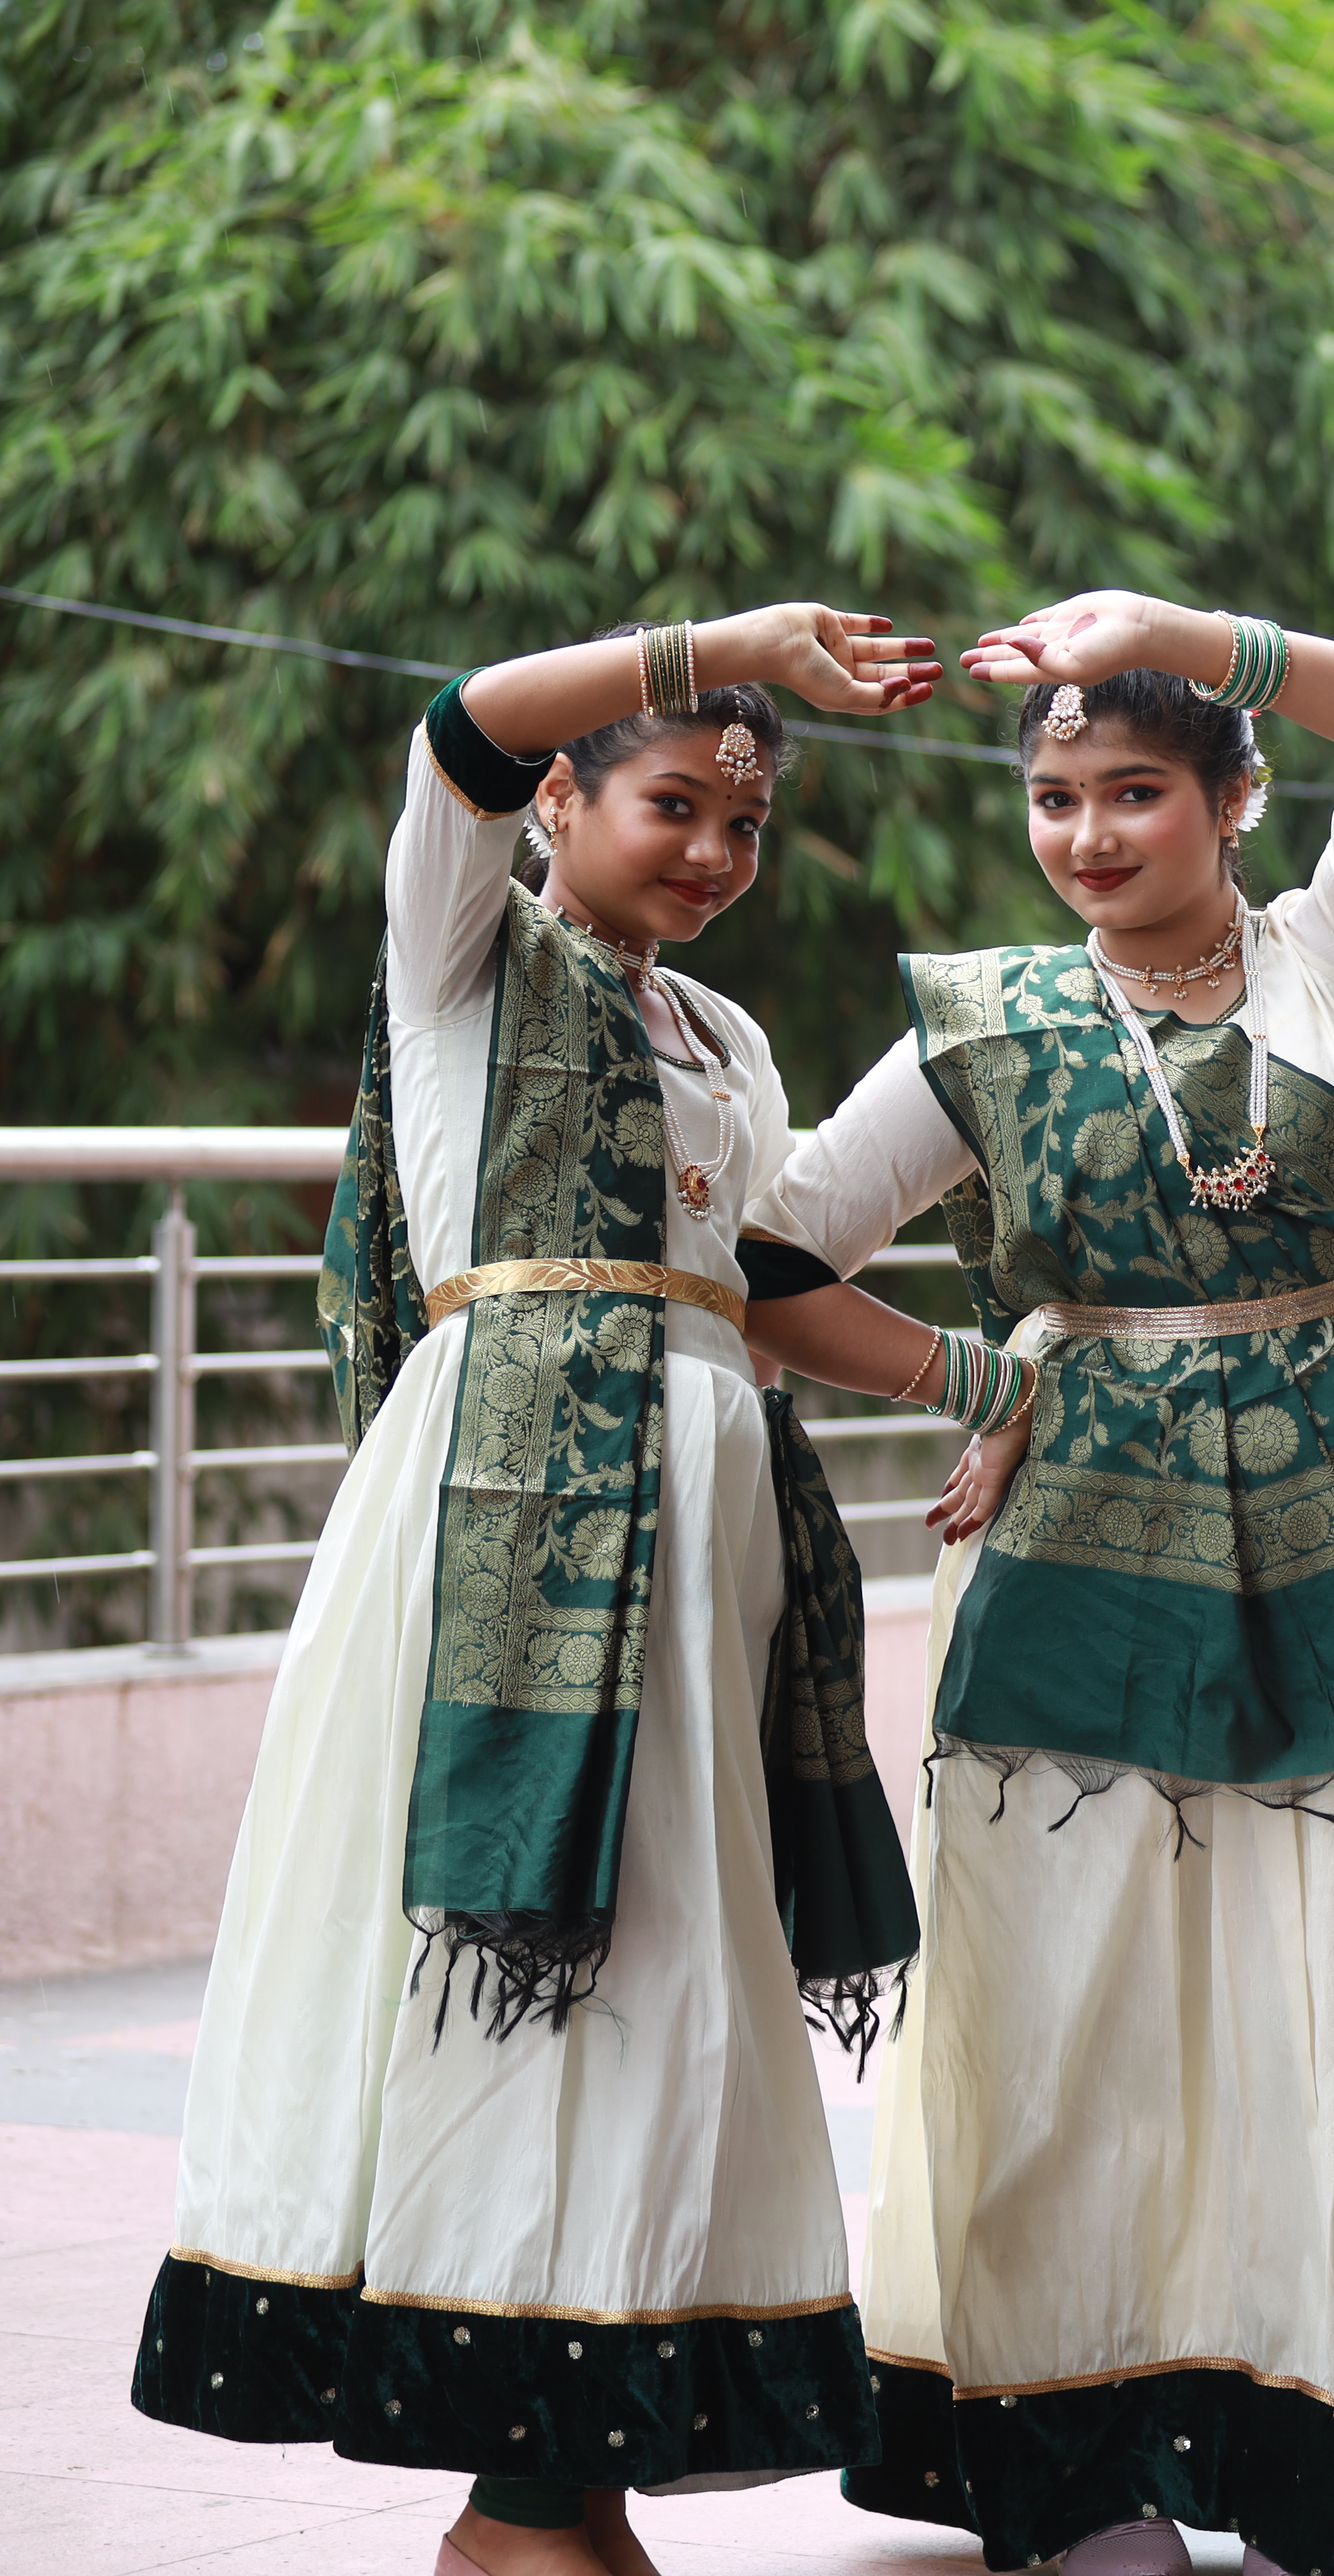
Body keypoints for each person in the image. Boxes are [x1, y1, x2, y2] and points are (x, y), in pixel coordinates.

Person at [736, 595, 1334, 2576]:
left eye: (1136, 791)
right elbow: (772, 1246)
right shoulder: (984, 1026)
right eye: (1057, 798)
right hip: (1082, 1553)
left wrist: (1183, 628)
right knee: (1075, 1990)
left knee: (1318, 1978)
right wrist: (978, 1375)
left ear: (1236, 796)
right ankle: (1072, 2467)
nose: (1088, 835)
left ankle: (1295, 2439)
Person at [129, 607, 941, 2576]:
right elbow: (453, 737)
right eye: (674, 804)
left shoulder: (720, 1037)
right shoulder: (469, 956)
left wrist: (987, 1377)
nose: (713, 856)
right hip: (507, 1521)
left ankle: (556, 2497)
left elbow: (768, 1263)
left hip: (698, 1536)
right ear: (564, 799)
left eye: (745, 829)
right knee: (530, 1965)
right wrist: (733, 639)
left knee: (661, 1972)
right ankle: (517, 2509)